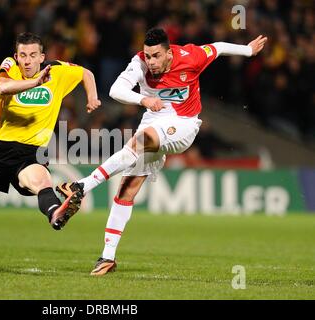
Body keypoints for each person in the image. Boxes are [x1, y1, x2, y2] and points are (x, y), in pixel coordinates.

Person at [57, 28, 267, 275]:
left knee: (140, 140)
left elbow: (218, 46)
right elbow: (116, 90)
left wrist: (248, 50)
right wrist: (143, 100)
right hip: (153, 118)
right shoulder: (140, 63)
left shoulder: (192, 56)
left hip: (184, 124)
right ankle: (107, 257)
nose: (151, 62)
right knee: (127, 189)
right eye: (148, 55)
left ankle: (81, 186)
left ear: (169, 53)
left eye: (156, 56)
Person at [0, 32, 101, 270]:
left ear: (42, 57)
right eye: (23, 55)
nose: (27, 60)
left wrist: (92, 97)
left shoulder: (57, 71)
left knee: (42, 181)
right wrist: (36, 82)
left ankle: (55, 213)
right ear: (16, 56)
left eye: (33, 55)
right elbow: (3, 88)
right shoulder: (9, 68)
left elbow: (85, 73)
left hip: (31, 152)